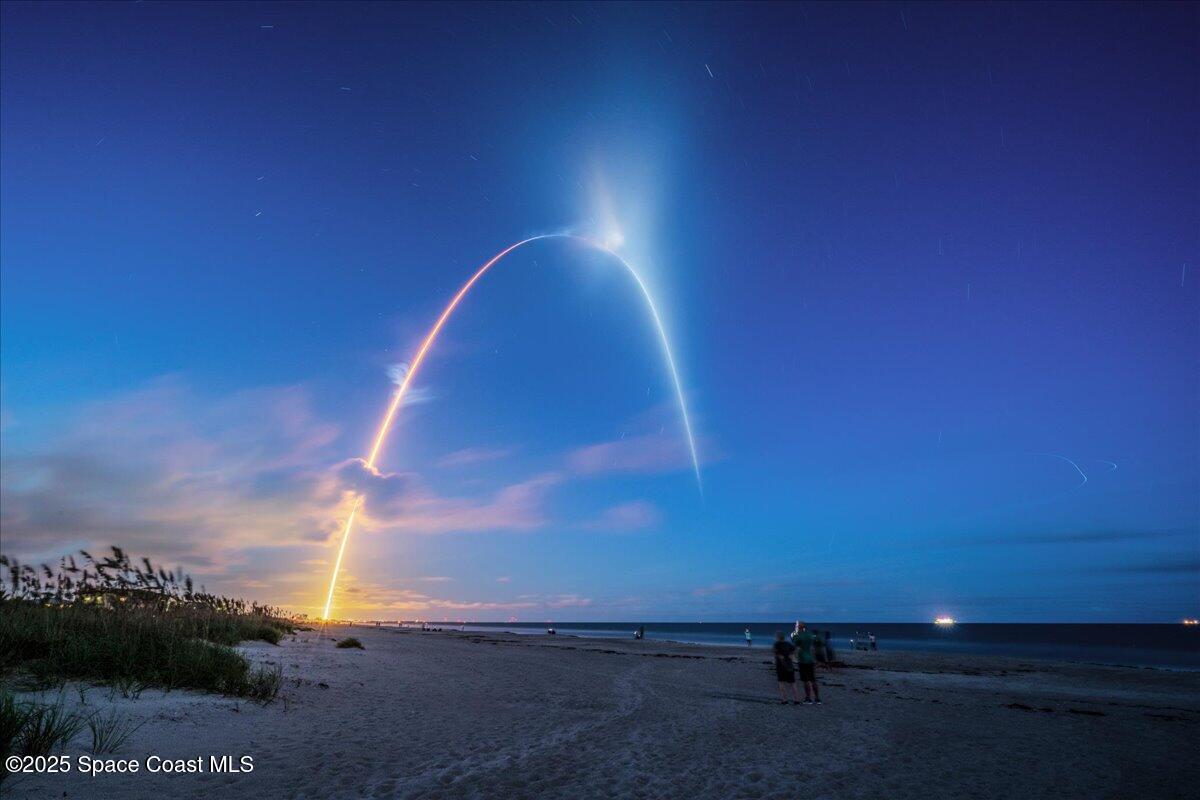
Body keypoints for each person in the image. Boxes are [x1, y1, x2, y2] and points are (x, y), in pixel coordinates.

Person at [790, 621, 822, 704]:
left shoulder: (798, 635)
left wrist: (794, 633)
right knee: (813, 679)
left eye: (796, 625)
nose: (795, 626)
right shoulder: (809, 634)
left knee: (806, 680)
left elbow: (794, 642)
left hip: (803, 659)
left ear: (799, 626)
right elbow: (814, 644)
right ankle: (817, 698)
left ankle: (808, 698)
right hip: (810, 658)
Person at [772, 632, 800, 704]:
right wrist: (791, 654)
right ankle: (796, 700)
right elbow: (795, 648)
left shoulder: (777, 644)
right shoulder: (788, 644)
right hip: (789, 666)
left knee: (781, 683)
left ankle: (784, 700)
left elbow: (775, 652)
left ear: (777, 637)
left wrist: (779, 656)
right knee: (792, 683)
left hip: (781, 666)